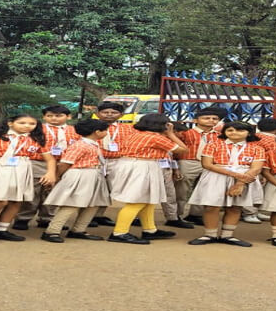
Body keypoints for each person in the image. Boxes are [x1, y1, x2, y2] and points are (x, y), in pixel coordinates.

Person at [0, 114, 53, 242]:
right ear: (10, 123)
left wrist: (51, 173)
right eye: (22, 123)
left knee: (16, 201)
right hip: (0, 168)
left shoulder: (36, 139)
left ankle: (2, 229)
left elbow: (50, 159)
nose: (27, 126)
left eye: (32, 124)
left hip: (21, 168)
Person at [105, 113, 181, 245]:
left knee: (147, 200)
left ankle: (149, 229)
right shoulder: (156, 137)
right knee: (137, 201)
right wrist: (171, 134)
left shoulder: (134, 133)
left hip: (131, 164)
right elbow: (183, 149)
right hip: (143, 166)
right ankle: (119, 232)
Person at [186, 121, 264, 247]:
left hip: (245, 177)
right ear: (224, 132)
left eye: (240, 130)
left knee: (235, 206)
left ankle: (227, 235)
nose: (234, 133)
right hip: (216, 176)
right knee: (211, 206)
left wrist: (240, 183)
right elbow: (207, 164)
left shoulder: (257, 148)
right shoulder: (213, 144)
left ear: (249, 133)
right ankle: (210, 235)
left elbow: (256, 168)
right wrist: (235, 175)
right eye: (230, 130)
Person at [40, 119, 111, 243]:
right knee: (72, 203)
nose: (106, 133)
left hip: (94, 174)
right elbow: (65, 163)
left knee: (93, 204)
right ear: (97, 132)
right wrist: (57, 176)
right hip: (80, 174)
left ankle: (79, 230)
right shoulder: (80, 145)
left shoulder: (93, 144)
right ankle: (52, 231)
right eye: (105, 130)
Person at [14, 104, 75, 230]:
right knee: (33, 190)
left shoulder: (74, 130)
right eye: (50, 116)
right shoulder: (38, 129)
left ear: (68, 116)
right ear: (44, 117)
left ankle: (47, 218)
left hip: (62, 164)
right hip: (38, 162)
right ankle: (23, 217)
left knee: (54, 191)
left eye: (58, 116)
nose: (54, 118)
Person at [172, 107, 226, 227]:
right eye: (206, 118)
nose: (211, 120)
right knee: (182, 190)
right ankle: (175, 216)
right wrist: (175, 167)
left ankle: (196, 214)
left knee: (204, 189)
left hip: (210, 164)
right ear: (195, 120)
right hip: (188, 162)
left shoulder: (220, 136)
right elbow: (176, 149)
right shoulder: (186, 133)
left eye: (215, 118)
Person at [90, 101, 128, 227]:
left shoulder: (127, 128)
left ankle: (99, 215)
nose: (109, 115)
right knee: (93, 188)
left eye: (114, 112)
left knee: (110, 189)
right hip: (95, 160)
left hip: (117, 161)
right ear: (97, 113)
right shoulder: (90, 126)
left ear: (121, 114)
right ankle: (87, 216)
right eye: (105, 112)